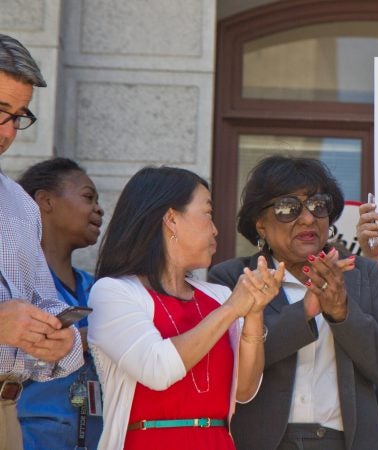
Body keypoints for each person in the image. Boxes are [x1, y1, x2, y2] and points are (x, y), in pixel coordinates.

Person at [208, 155, 378, 450]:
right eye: (287, 208)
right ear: (260, 224)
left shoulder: (363, 274)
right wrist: (304, 311)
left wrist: (343, 313)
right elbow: (229, 371)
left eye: (318, 205)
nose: (307, 218)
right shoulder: (233, 278)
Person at [87, 166, 284, 450]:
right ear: (171, 219)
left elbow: (244, 390)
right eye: (208, 214)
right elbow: (156, 369)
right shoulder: (113, 292)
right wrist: (232, 309)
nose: (216, 229)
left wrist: (253, 311)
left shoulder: (217, 296)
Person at [0, 34, 83, 450]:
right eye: (1, 111)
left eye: (19, 116)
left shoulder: (19, 204)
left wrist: (60, 340)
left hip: (7, 415)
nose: (10, 131)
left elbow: (44, 303)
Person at [15, 158, 104, 449]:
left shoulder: (98, 288)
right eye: (88, 197)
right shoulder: (15, 284)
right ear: (46, 201)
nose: (99, 209)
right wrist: (85, 340)